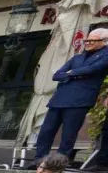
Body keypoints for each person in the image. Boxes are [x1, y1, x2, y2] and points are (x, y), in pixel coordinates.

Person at [35, 28, 108, 161]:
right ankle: (39, 159)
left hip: (80, 100)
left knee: (69, 134)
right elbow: (57, 75)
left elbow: (92, 69)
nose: (88, 43)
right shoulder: (77, 57)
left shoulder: (106, 55)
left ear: (104, 41)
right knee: (46, 131)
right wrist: (74, 74)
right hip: (59, 98)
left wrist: (69, 74)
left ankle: (61, 162)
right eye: (87, 40)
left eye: (92, 40)